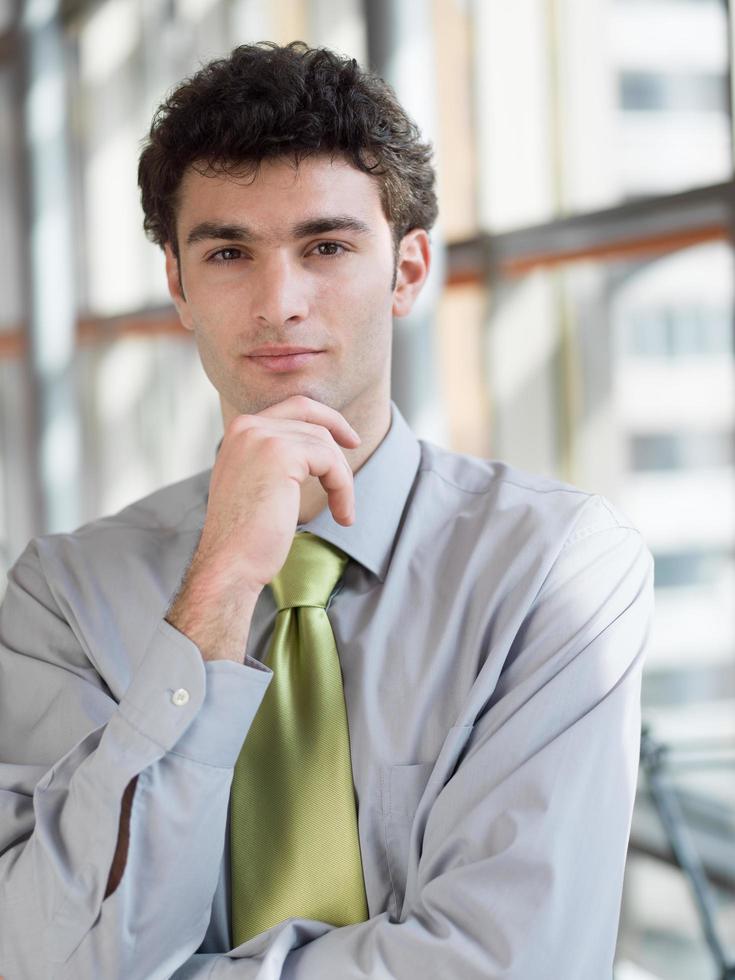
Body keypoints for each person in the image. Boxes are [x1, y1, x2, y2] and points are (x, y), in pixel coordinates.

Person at [0, 41, 653, 980]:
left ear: (408, 271)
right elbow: (42, 955)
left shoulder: (555, 568)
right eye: (229, 251)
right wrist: (217, 592)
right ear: (178, 287)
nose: (279, 303)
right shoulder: (63, 594)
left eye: (327, 246)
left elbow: (508, 965)